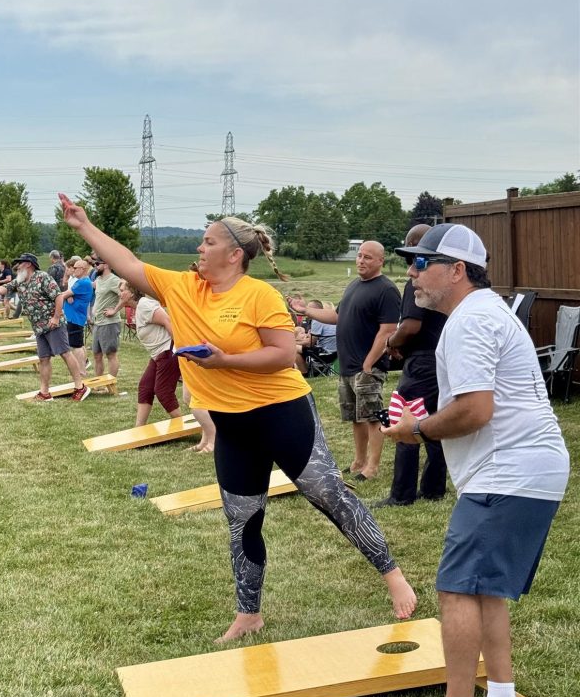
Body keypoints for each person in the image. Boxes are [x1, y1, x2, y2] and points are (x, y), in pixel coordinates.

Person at [59, 194, 417, 642]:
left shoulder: (258, 295)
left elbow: (285, 355)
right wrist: (84, 226)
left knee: (328, 495)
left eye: (207, 242)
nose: (199, 249)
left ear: (233, 255)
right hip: (232, 425)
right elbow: (127, 261)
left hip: (282, 414)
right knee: (242, 518)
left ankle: (392, 574)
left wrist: (224, 360)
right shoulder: (181, 288)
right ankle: (249, 613)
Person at [381, 224, 569, 697]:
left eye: (422, 263)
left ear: (457, 269)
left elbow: (474, 410)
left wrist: (413, 432)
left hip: (507, 471)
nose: (412, 274)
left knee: (457, 589)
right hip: (529, 468)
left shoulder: (468, 321)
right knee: (485, 591)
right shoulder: (486, 313)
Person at [290, 242, 400, 480]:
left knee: (372, 416)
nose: (361, 260)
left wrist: (370, 363)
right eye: (359, 256)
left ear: (381, 261)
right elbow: (337, 317)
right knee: (355, 418)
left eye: (368, 257)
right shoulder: (354, 286)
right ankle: (358, 462)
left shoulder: (386, 290)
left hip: (367, 367)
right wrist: (305, 311)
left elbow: (388, 330)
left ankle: (372, 466)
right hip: (348, 366)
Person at [373, 225, 448, 508]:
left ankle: (401, 494)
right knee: (433, 421)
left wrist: (391, 342)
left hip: (421, 362)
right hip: (441, 358)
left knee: (405, 420)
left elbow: (411, 325)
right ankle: (433, 488)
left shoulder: (416, 282)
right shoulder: (442, 283)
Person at [0, 252, 91, 402]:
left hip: (52, 324)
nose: (17, 266)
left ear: (29, 264)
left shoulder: (42, 277)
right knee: (43, 359)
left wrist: (56, 317)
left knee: (65, 353)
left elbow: (58, 296)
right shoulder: (19, 281)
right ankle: (45, 393)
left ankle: (80, 387)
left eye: (20, 263)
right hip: (38, 327)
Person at [119, 280, 183, 425]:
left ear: (132, 292)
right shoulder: (138, 307)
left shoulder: (145, 305)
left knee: (163, 391)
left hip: (168, 350)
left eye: (122, 290)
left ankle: (181, 424)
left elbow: (168, 321)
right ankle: (139, 427)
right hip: (158, 355)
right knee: (145, 387)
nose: (120, 293)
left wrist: (180, 347)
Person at [62, 257, 94, 374]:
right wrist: (68, 295)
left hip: (75, 318)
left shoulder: (83, 282)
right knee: (78, 344)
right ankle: (82, 368)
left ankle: (81, 370)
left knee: (77, 346)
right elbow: (67, 295)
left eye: (75, 268)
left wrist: (66, 295)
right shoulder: (81, 282)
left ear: (83, 269)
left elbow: (64, 295)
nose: (73, 270)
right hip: (74, 317)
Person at [92, 257, 122, 378]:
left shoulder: (114, 280)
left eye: (97, 263)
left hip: (109, 323)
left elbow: (125, 295)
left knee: (110, 354)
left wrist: (114, 310)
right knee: (97, 355)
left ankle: (111, 383)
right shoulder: (98, 279)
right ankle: (99, 384)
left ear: (106, 265)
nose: (95, 266)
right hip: (98, 322)